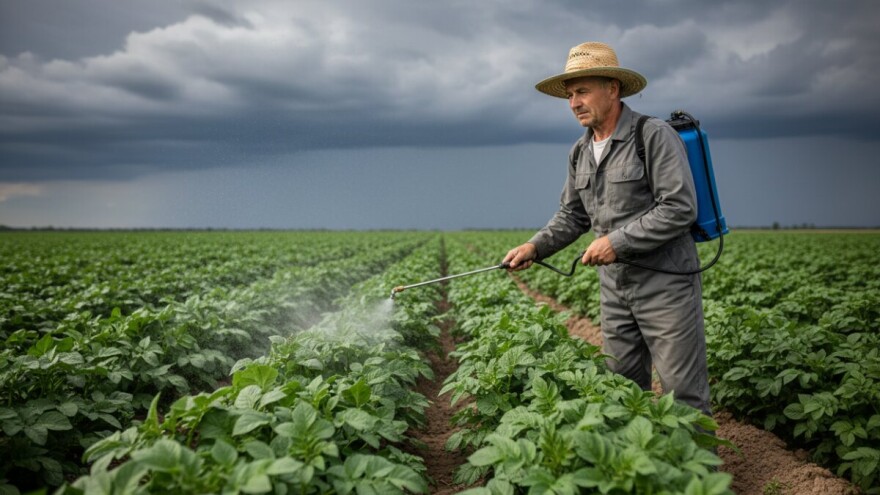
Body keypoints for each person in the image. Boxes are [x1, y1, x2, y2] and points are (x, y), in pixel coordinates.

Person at [503, 41, 711, 416]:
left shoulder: (653, 136)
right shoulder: (580, 152)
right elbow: (572, 215)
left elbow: (679, 207)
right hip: (614, 290)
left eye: (582, 91)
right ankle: (636, 472)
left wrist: (616, 241)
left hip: (666, 285)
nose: (574, 102)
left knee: (683, 397)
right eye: (570, 95)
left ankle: (701, 473)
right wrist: (534, 247)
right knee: (621, 394)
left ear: (612, 89)